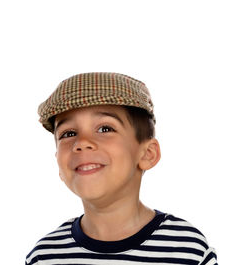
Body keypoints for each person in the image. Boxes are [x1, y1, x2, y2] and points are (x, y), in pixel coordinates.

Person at [25, 72, 218, 265]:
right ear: (58, 162)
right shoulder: (45, 256)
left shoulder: (187, 250)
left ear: (147, 154)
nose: (82, 143)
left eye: (105, 129)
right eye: (69, 133)